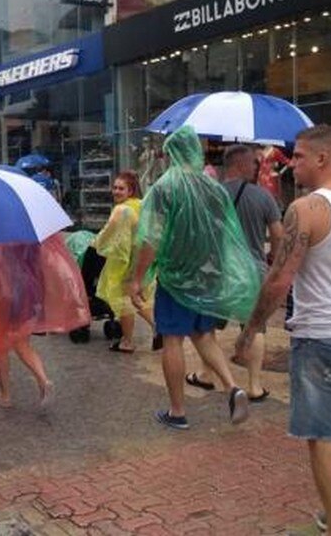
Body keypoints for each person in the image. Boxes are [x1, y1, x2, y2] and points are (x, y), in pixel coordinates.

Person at [235, 124, 331, 536]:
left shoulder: (306, 210)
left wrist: (249, 331)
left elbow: (278, 279)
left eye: (300, 156)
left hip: (323, 337)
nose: (292, 164)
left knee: (320, 435)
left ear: (323, 158)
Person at [127, 125, 259, 431]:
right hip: (207, 274)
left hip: (176, 276)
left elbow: (152, 238)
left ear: (172, 153)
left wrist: (137, 278)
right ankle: (231, 386)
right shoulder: (214, 188)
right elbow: (226, 234)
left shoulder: (164, 188)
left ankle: (177, 411)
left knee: (172, 340)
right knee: (204, 335)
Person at [188, 145, 284, 401]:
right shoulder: (264, 198)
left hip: (217, 272)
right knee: (255, 327)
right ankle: (254, 386)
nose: (256, 168)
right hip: (252, 272)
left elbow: (198, 234)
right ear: (240, 165)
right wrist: (273, 259)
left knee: (209, 326)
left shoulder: (210, 196)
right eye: (253, 163)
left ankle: (206, 374)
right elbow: (278, 235)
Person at [0, 235, 90, 409]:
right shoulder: (29, 232)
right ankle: (43, 379)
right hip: (27, 289)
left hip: (0, 292)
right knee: (21, 341)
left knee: (0, 344)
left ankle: (5, 395)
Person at [93, 170, 159, 353]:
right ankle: (156, 328)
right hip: (143, 262)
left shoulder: (121, 210)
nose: (115, 191)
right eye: (114, 187)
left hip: (126, 263)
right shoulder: (141, 205)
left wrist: (96, 244)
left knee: (124, 302)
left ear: (130, 190)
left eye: (121, 188)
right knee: (135, 298)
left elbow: (110, 235)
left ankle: (128, 341)